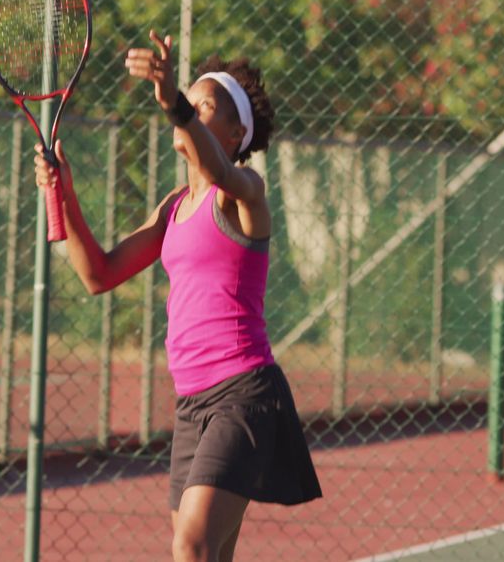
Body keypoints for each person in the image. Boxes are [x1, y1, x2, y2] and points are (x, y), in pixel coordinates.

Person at [34, 29, 322, 562]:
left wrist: (171, 101)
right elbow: (98, 273)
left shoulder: (246, 194)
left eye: (202, 103)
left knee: (190, 546)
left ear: (235, 133)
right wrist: (66, 195)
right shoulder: (172, 209)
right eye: (186, 96)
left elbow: (215, 168)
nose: (188, 106)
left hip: (243, 394)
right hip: (192, 405)